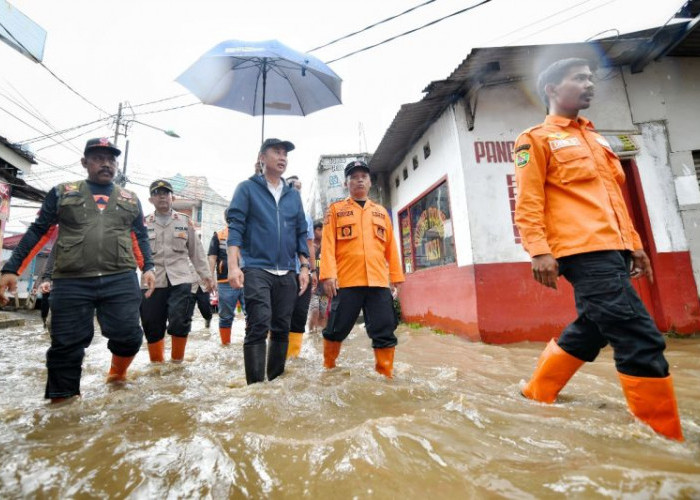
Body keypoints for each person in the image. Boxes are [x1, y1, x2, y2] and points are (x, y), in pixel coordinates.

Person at [514, 58, 683, 441]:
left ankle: (537, 392)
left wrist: (635, 245)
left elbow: (615, 199)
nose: (590, 84)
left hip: (614, 249)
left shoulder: (597, 139)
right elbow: (527, 201)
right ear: (552, 89)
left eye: (591, 78)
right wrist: (539, 251)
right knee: (638, 335)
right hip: (581, 251)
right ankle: (663, 441)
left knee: (593, 327)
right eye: (579, 78)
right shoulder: (535, 138)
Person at [0, 137, 156, 403]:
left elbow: (138, 236)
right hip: (72, 280)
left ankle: (117, 375)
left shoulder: (130, 199)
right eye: (98, 158)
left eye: (111, 159)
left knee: (130, 336)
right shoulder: (63, 192)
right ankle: (63, 405)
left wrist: (148, 267)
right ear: (84, 162)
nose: (106, 164)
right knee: (66, 346)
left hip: (120, 277)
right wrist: (13, 268)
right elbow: (39, 231)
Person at [227, 138, 310, 384]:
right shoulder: (246, 189)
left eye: (285, 153)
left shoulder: (293, 196)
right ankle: (255, 387)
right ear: (262, 157)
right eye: (276, 151)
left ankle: (274, 382)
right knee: (259, 323)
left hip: (287, 271)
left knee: (282, 326)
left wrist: (304, 266)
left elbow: (300, 233)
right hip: (256, 268)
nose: (282, 157)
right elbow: (235, 227)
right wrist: (233, 265)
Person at [320, 160, 405, 378]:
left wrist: (396, 277)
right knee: (336, 329)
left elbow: (391, 247)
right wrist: (328, 275)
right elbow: (327, 245)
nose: (359, 179)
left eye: (364, 176)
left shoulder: (381, 213)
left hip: (378, 282)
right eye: (354, 176)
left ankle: (385, 374)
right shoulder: (335, 211)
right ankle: (329, 368)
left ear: (369, 182)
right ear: (346, 183)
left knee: (385, 329)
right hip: (347, 282)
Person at [140, 179, 213, 363]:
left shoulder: (184, 221)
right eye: (157, 193)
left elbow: (197, 252)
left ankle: (176, 363)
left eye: (166, 193)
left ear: (172, 197)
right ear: (151, 199)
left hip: (181, 280)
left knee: (180, 321)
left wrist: (207, 276)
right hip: (152, 282)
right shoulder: (143, 224)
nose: (162, 196)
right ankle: (157, 364)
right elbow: (134, 252)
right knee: (151, 324)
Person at [285, 175, 317, 359]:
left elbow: (309, 244)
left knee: (299, 314)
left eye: (299, 187)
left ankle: (293, 357)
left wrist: (313, 270)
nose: (296, 190)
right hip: (282, 272)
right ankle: (276, 353)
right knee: (281, 314)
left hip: (303, 272)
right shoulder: (276, 211)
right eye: (292, 186)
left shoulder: (305, 217)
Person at [208, 210, 246, 345]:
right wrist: (210, 277)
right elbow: (212, 258)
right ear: (227, 219)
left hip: (248, 280)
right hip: (225, 281)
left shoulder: (247, 234)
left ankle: (251, 343)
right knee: (225, 317)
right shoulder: (219, 235)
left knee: (252, 315)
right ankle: (225, 345)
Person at [308, 220, 329, 332]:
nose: (322, 232)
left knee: (323, 312)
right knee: (315, 309)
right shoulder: (310, 246)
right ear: (313, 231)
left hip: (324, 285)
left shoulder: (326, 247)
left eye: (323, 229)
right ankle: (311, 332)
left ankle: (321, 335)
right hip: (313, 285)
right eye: (319, 229)